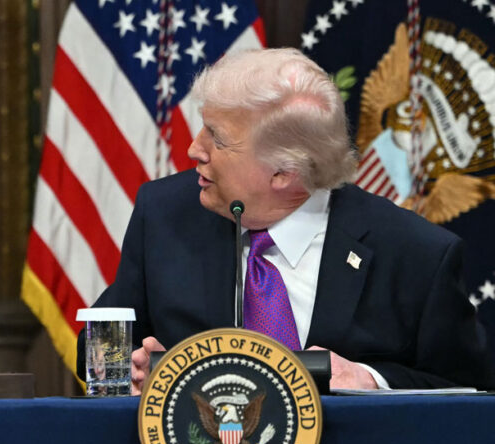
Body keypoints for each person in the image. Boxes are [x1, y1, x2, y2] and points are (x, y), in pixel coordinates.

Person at [78, 48, 494, 393]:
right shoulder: (165, 214)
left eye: (217, 138)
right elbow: (95, 350)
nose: (194, 149)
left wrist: (370, 380)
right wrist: (130, 369)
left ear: (284, 173)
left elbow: (474, 390)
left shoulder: (414, 254)